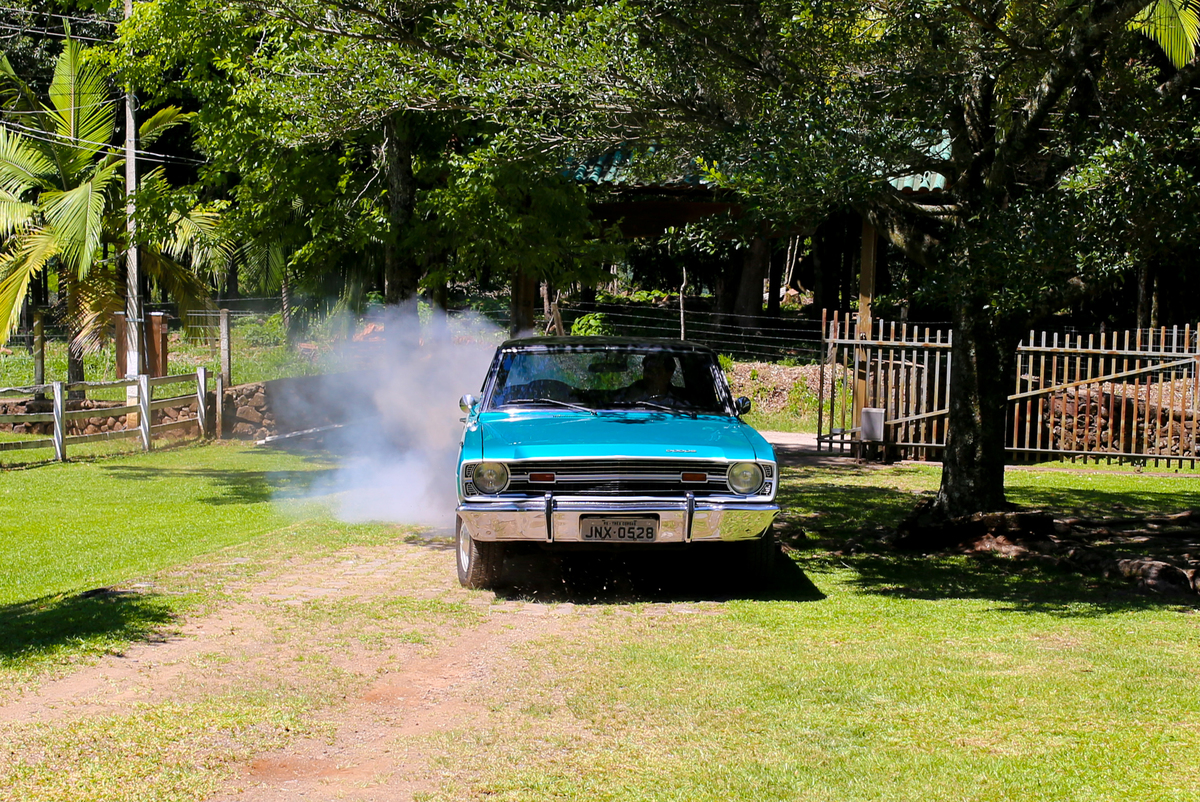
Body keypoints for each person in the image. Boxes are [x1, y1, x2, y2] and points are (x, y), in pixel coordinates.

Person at [617, 353, 685, 403]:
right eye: (647, 371)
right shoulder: (626, 396)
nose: (649, 376)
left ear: (668, 374)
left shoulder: (682, 399)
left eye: (656, 372)